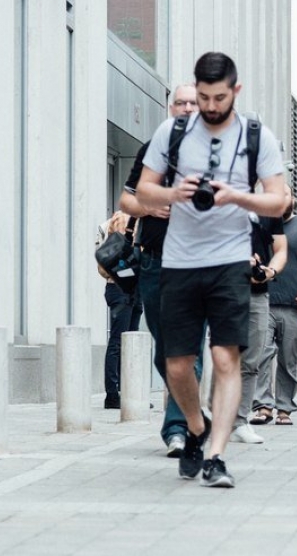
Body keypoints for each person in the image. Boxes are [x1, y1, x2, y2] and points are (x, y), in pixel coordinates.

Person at [136, 52, 290, 487]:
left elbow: (279, 201)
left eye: (218, 97)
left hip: (229, 260)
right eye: (202, 97)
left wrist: (236, 197)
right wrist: (172, 193)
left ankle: (216, 456)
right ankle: (196, 428)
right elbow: (143, 190)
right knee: (178, 365)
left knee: (225, 358)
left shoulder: (258, 136)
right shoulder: (174, 130)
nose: (209, 106)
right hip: (180, 261)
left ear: (235, 91)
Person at [119, 83, 201, 456]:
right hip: (154, 260)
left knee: (189, 349)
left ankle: (178, 429)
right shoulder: (153, 151)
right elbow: (125, 199)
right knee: (165, 350)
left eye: (192, 103)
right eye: (179, 102)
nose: (185, 108)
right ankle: (188, 411)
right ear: (171, 108)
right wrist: (149, 208)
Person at [252, 185, 297, 425]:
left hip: (295, 306)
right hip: (262, 301)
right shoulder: (259, 227)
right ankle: (264, 406)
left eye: (284, 194)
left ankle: (284, 408)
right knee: (261, 355)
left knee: (288, 359)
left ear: (292, 198)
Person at [230, 210, 287, 444]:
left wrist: (269, 271)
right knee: (225, 357)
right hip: (224, 289)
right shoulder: (219, 199)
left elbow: (281, 249)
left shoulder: (267, 208)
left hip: (258, 294)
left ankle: (240, 423)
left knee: (252, 360)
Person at [95, 211, 143, 410]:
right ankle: (113, 395)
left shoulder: (124, 220)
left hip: (127, 287)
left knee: (129, 343)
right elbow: (117, 258)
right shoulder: (123, 221)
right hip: (121, 287)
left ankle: (126, 393)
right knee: (119, 342)